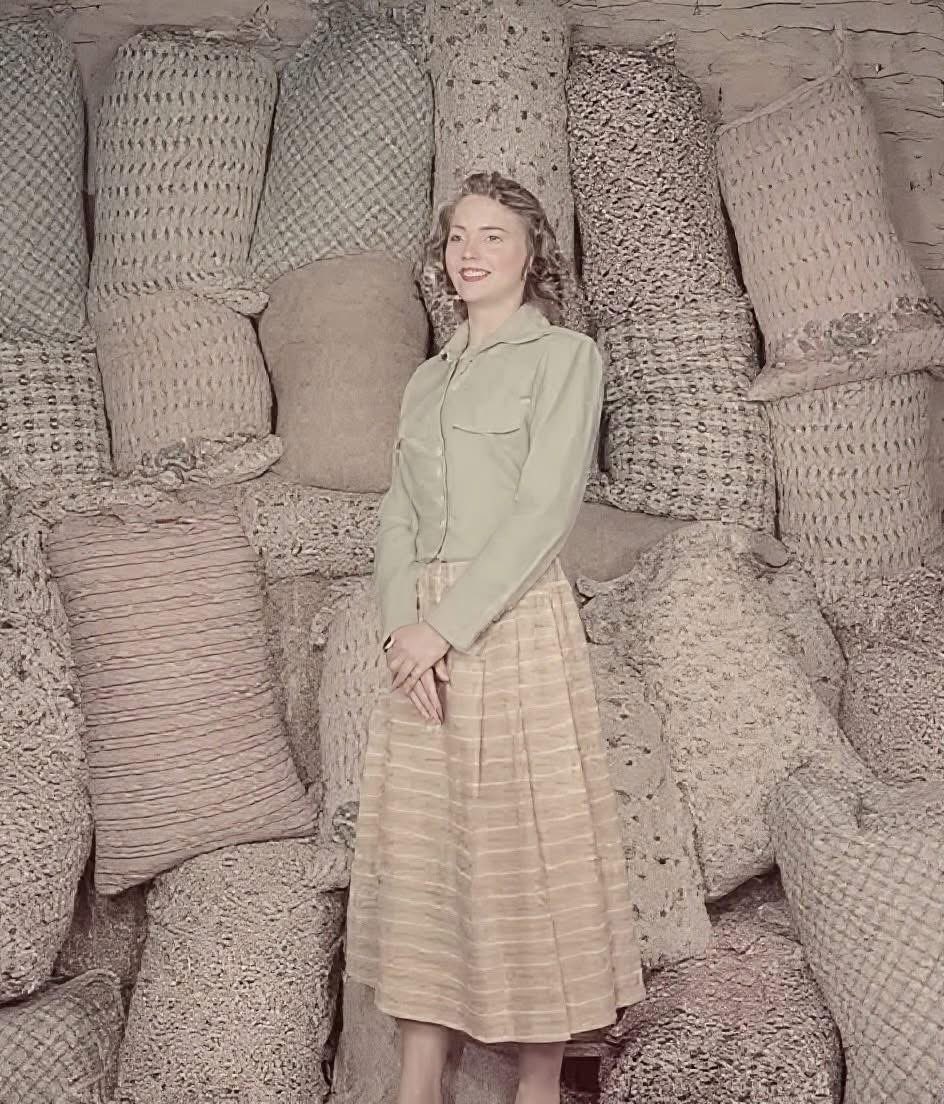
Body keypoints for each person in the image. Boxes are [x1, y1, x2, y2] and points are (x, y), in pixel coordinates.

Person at [345, 171, 644, 1104]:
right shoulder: (428, 376)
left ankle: (541, 1086)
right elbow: (396, 510)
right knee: (427, 853)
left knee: (530, 848)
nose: (469, 254)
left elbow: (543, 510)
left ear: (530, 255)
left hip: (506, 618)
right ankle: (417, 1083)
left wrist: (445, 626)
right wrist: (402, 627)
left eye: (492, 238)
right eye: (457, 239)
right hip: (418, 637)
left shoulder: (565, 357)